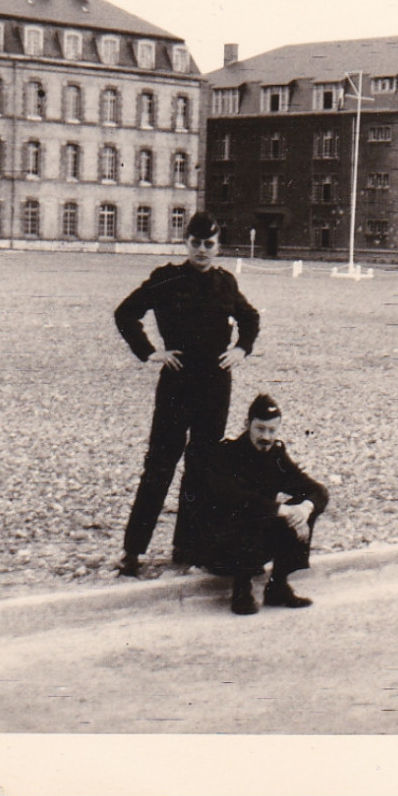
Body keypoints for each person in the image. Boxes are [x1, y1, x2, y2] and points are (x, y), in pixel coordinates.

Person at [113, 212, 259, 577]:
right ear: (186, 243)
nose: (202, 251)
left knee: (201, 467)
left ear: (218, 247)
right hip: (177, 383)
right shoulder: (167, 278)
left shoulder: (226, 283)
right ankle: (133, 552)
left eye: (209, 244)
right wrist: (149, 352)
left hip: (215, 384)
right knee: (159, 466)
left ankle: (186, 547)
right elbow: (125, 313)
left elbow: (250, 318)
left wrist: (241, 349)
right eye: (196, 243)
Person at [174, 393, 329, 615]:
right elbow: (235, 499)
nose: (266, 437)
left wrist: (304, 509)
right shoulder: (226, 454)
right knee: (248, 513)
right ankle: (241, 591)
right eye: (260, 429)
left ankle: (278, 586)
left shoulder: (275, 456)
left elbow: (317, 490)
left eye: (272, 430)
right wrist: (281, 510)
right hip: (221, 550)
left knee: (303, 507)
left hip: (254, 545)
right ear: (247, 424)